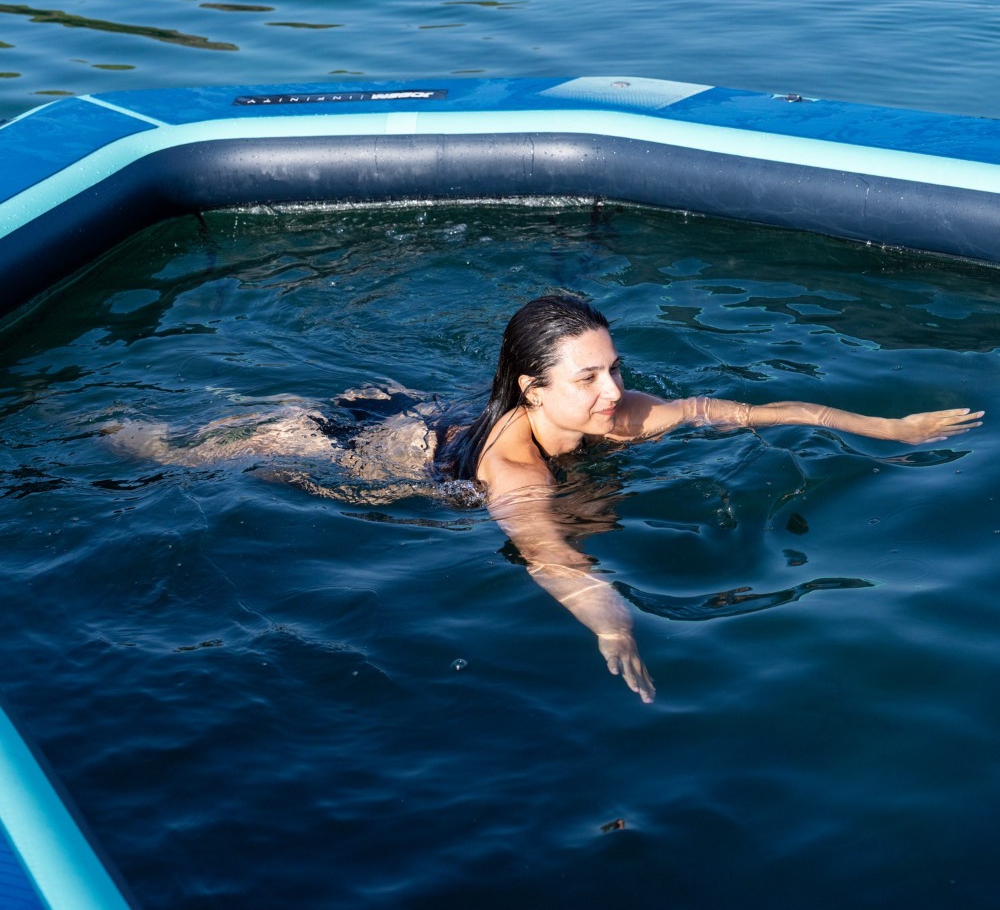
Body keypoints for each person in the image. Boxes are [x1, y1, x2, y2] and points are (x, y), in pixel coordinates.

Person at [109, 294, 984, 703]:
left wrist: (893, 429)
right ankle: (112, 429)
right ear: (534, 389)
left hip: (442, 410)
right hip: (391, 456)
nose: (615, 390)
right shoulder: (517, 473)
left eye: (614, 367)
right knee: (227, 454)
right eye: (590, 376)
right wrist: (613, 622)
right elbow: (550, 555)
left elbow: (756, 409)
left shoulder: (622, 417)